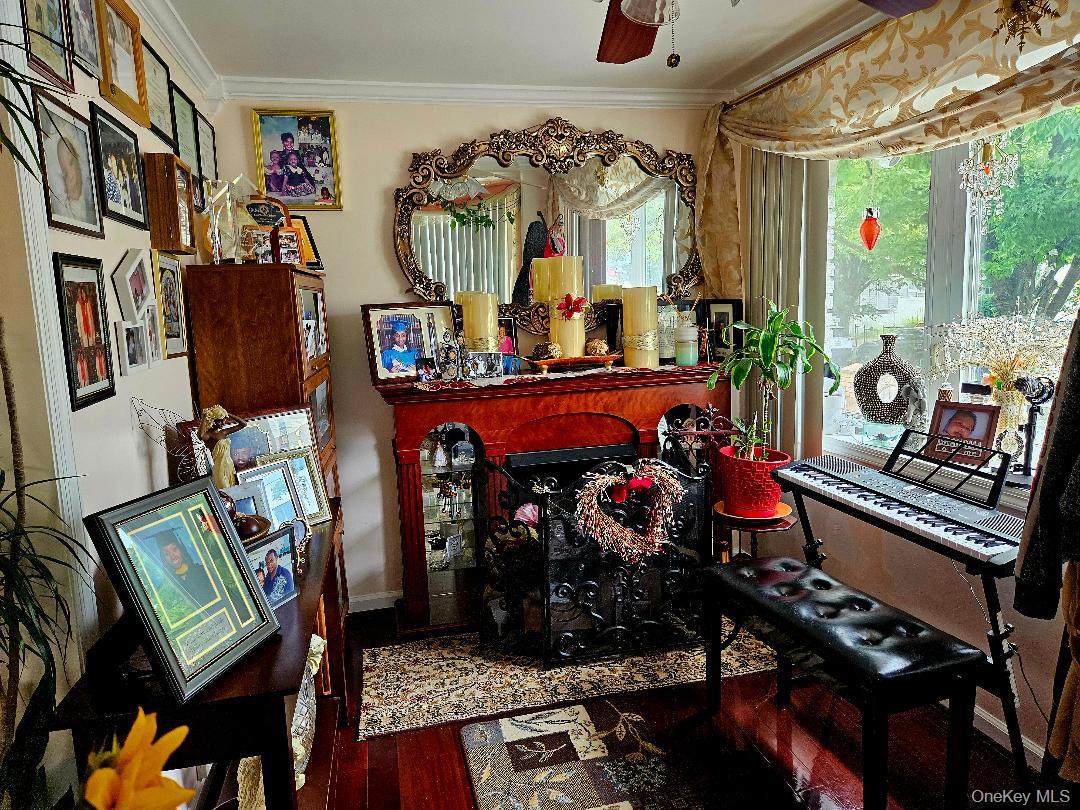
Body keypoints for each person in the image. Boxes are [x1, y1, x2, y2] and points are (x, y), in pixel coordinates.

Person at [151, 530, 216, 609]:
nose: (172, 556)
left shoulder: (203, 571)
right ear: (163, 558)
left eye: (174, 549)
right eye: (166, 554)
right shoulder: (170, 585)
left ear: (181, 550)